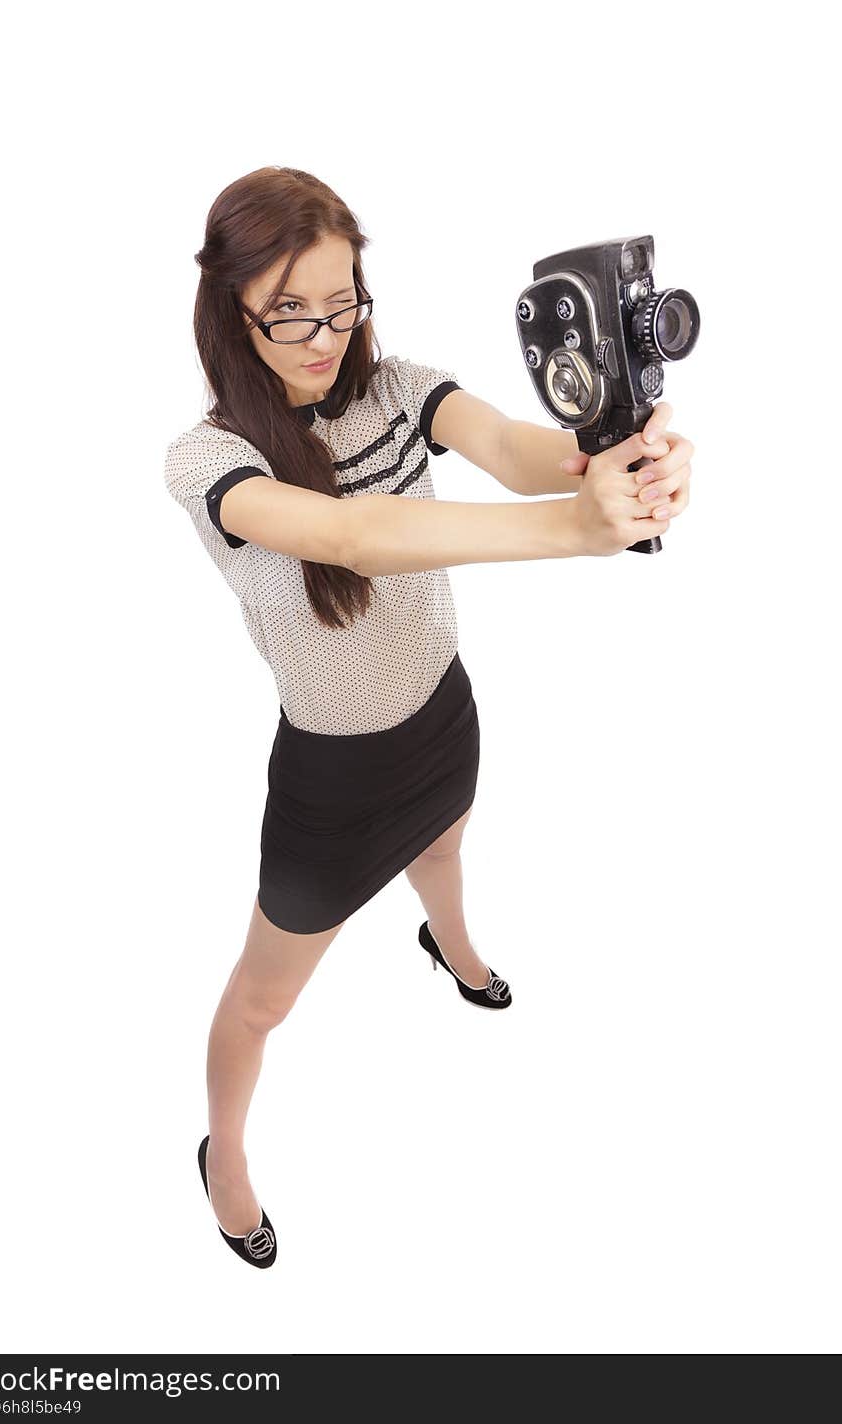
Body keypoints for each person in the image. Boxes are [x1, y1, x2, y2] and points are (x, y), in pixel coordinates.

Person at [164, 167, 695, 1268]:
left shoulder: (401, 386)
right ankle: (222, 1157)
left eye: (342, 298)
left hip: (441, 719)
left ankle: (451, 950)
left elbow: (514, 446)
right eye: (289, 311)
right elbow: (351, 537)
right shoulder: (210, 459)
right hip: (330, 784)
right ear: (232, 311)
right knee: (260, 1004)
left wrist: (618, 450)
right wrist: (574, 530)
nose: (323, 334)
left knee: (448, 846)